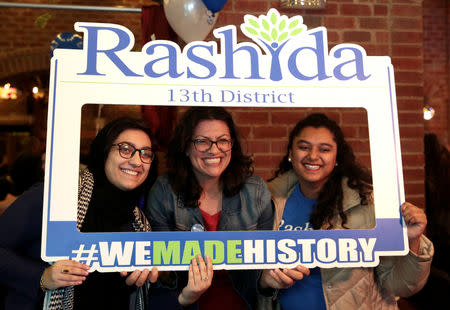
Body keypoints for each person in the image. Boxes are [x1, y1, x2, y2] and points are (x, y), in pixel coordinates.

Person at [258, 113, 433, 310]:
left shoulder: (368, 204)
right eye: (304, 147)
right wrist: (264, 280)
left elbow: (401, 285)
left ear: (337, 157)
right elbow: (254, 280)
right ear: (291, 153)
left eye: (324, 149)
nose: (313, 156)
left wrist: (412, 241)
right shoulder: (266, 201)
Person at [0, 117, 159, 310]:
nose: (136, 161)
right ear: (104, 152)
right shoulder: (58, 197)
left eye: (146, 154)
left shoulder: (139, 223)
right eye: (125, 149)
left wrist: (138, 280)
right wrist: (42, 277)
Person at [145, 107, 275, 309]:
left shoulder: (256, 192)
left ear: (232, 145)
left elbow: (262, 272)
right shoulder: (164, 192)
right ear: (186, 147)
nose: (214, 150)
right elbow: (164, 278)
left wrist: (269, 279)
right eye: (202, 141)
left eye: (222, 140)